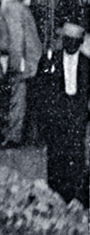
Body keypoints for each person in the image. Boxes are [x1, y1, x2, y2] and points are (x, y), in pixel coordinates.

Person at [0, 0, 40, 146]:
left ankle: (13, 138)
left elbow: (17, 39)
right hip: (15, 60)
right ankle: (11, 135)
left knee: (16, 100)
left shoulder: (11, 9)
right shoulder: (11, 7)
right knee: (14, 99)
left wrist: (14, 66)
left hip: (19, 61)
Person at [43, 21, 89, 206]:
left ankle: (75, 195)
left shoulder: (87, 63)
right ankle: (55, 192)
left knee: (76, 152)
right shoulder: (50, 60)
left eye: (74, 41)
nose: (70, 45)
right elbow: (42, 89)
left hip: (77, 111)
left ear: (80, 42)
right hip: (57, 110)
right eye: (67, 40)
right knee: (55, 151)